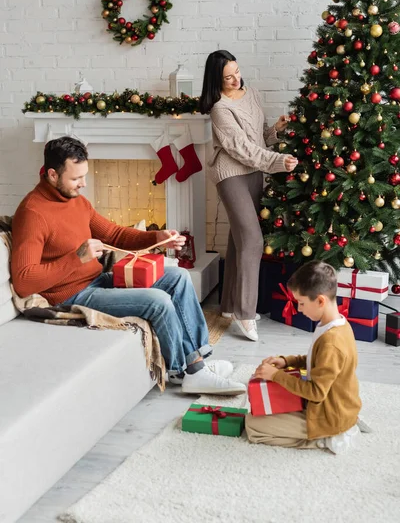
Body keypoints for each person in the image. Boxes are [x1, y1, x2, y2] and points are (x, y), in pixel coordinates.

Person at [11, 136, 246, 396]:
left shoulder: (76, 200)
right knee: (158, 301)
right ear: (53, 175)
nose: (83, 184)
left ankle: (197, 364)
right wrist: (76, 259)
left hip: (97, 280)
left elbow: (114, 234)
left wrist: (156, 238)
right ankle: (183, 371)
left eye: (85, 176)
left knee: (178, 277)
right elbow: (23, 281)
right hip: (70, 295)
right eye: (76, 178)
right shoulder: (32, 214)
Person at [199, 50, 298, 342]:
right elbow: (239, 148)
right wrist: (277, 162)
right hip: (231, 174)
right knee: (253, 240)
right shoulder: (219, 109)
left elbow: (257, 138)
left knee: (239, 237)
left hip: (254, 171)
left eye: (237, 72)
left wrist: (275, 133)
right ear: (216, 79)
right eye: (227, 76)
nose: (235, 79)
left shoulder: (250, 93)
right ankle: (245, 313)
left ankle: (228, 306)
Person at [246, 261, 362, 454]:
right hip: (329, 406)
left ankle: (324, 440)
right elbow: (317, 361)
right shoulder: (335, 324)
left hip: (327, 416)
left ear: (320, 301)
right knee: (262, 409)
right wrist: (287, 361)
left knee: (253, 425)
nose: (299, 309)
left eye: (301, 303)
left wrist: (276, 376)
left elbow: (316, 392)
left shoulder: (331, 342)